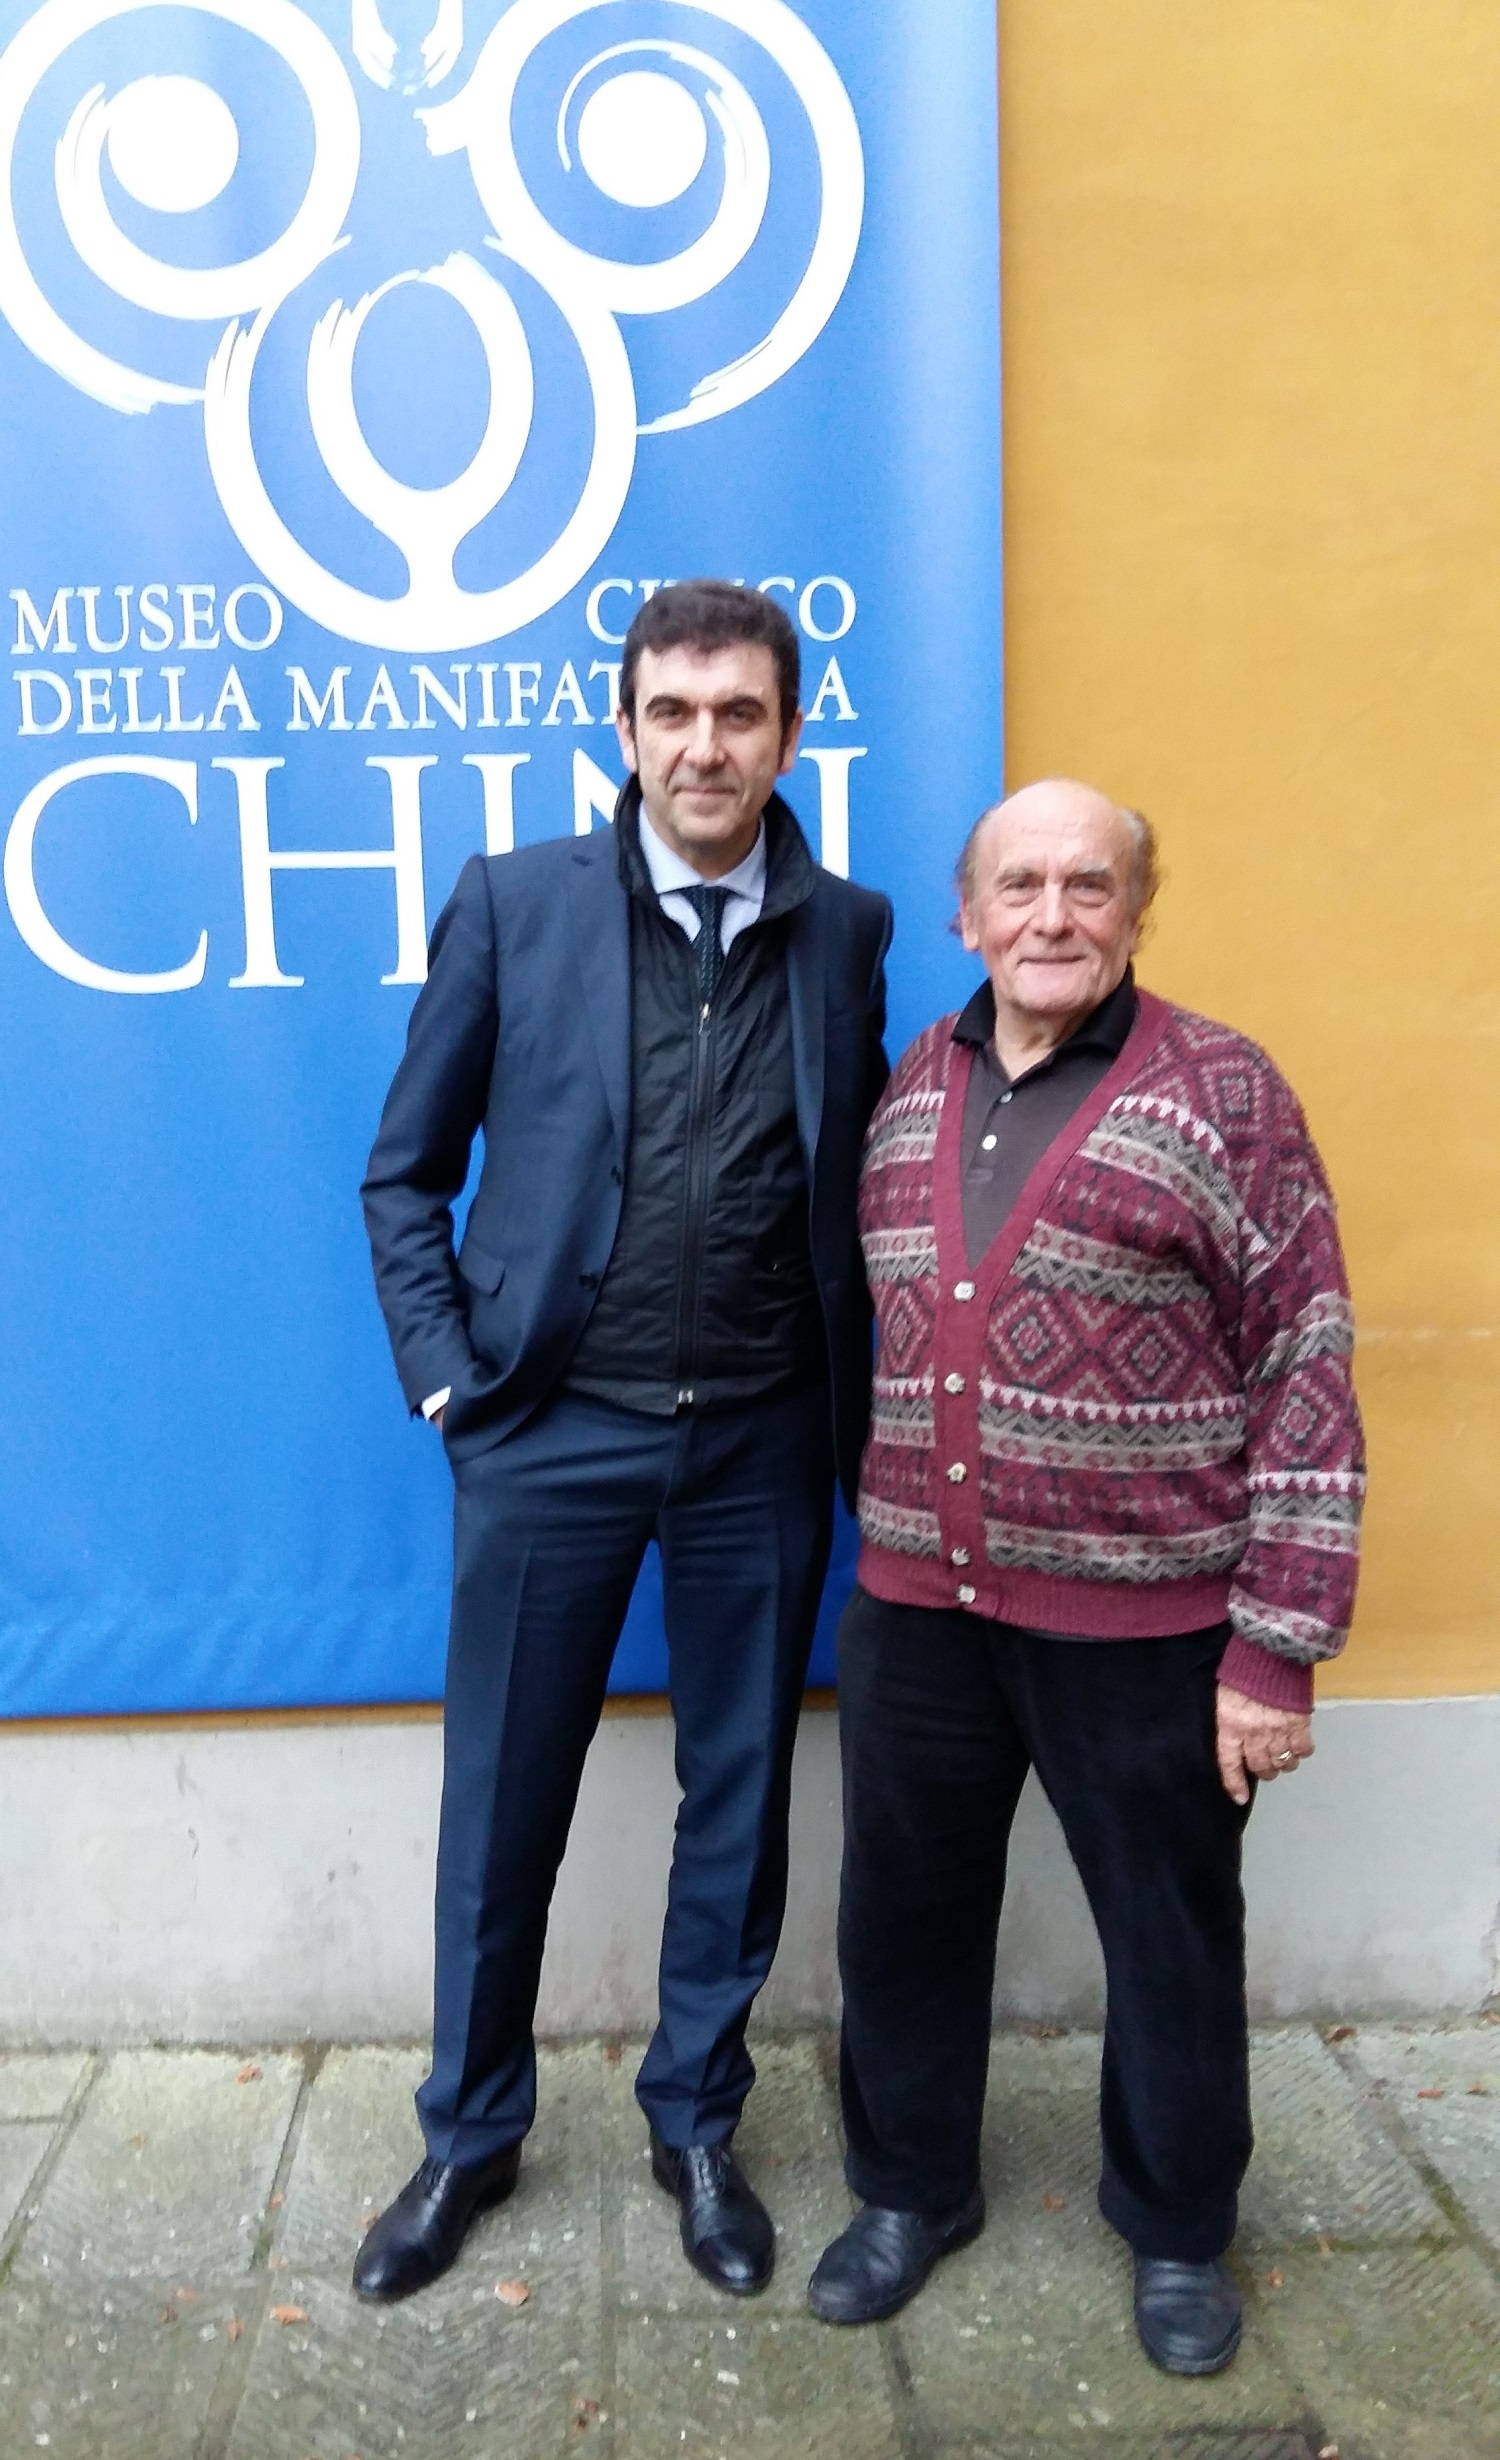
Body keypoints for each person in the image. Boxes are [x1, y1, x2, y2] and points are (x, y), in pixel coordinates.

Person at [357, 581, 892, 2304]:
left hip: (757, 1441)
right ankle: (467, 2135)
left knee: (738, 1797)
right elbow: (402, 1173)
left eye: (740, 714)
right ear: (628, 727)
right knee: (502, 1801)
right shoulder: (518, 904)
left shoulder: (851, 929)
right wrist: (452, 1384)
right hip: (550, 1438)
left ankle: (698, 2124)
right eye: (675, 712)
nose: (706, 746)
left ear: (788, 734)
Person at [807, 779, 1363, 2373]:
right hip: (918, 1608)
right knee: (902, 1923)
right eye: (1022, 887)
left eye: (1089, 887)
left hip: (1148, 1624)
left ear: (1136, 909)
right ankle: (911, 2189)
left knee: (1170, 1938)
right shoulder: (917, 1078)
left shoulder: (1225, 1094)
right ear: (971, 914)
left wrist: (1278, 1646)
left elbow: (1306, 1360)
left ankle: (1180, 2227)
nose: (1054, 917)